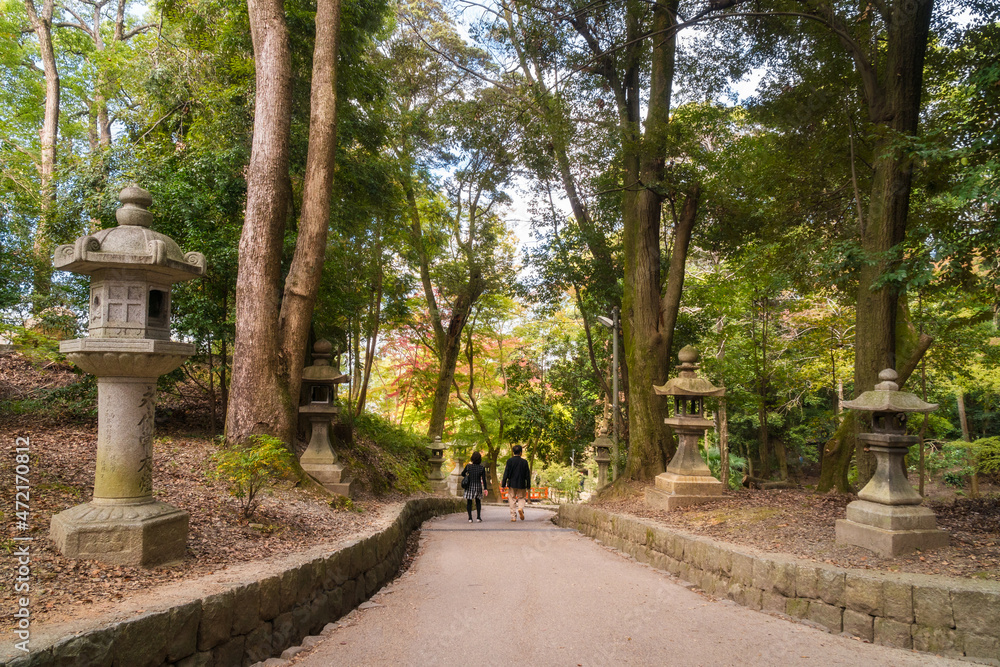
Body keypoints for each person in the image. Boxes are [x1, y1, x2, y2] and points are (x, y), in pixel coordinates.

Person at [500, 444, 531, 522]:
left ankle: (513, 516)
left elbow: (506, 473)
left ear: (513, 452)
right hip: (522, 483)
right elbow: (527, 475)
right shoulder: (524, 462)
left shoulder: (510, 461)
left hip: (512, 483)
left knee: (512, 499)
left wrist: (503, 484)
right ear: (521, 452)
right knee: (521, 498)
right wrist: (528, 485)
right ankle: (520, 508)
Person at [461, 451, 489, 523]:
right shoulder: (482, 468)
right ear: (480, 459)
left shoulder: (468, 466)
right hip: (478, 486)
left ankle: (470, 518)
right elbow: (484, 479)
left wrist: (467, 476)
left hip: (469, 486)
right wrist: (485, 488)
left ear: (472, 458)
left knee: (469, 502)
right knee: (478, 501)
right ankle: (478, 517)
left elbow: (462, 474)